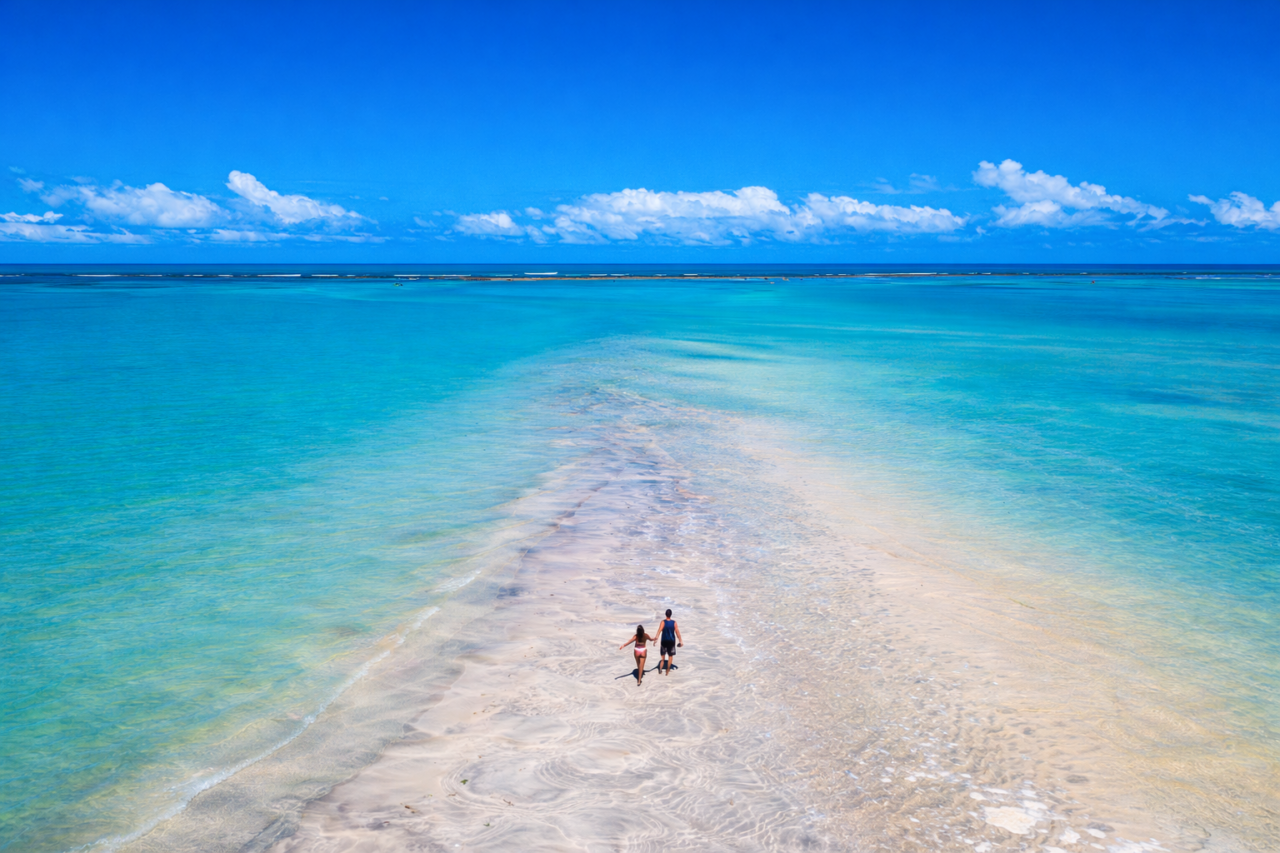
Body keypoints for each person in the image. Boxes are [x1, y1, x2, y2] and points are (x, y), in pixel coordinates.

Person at [657, 609, 682, 675]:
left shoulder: (663, 622)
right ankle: (667, 670)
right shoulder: (674, 622)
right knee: (670, 656)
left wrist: (656, 638)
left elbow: (659, 630)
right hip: (671, 641)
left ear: (665, 614)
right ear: (671, 614)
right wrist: (680, 641)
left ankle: (660, 669)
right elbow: (677, 632)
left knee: (662, 657)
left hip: (664, 641)